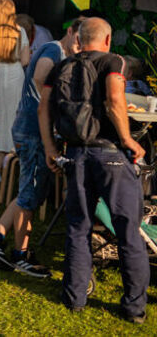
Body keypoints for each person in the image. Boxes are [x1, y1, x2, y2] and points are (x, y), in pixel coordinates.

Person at [39, 18, 148, 321]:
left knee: (77, 227)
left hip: (75, 154)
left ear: (78, 37)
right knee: (128, 231)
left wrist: (50, 148)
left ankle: (74, 297)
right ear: (108, 39)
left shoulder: (60, 66)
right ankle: (134, 307)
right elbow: (115, 99)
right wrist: (128, 140)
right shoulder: (114, 61)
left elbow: (43, 107)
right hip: (110, 155)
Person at [0, 18, 82, 279]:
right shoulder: (55, 51)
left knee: (29, 191)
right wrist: (56, 107)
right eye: (78, 37)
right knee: (30, 194)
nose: (80, 44)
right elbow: (39, 75)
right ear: (69, 32)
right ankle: (21, 255)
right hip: (33, 130)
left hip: (29, 127)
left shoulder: (61, 52)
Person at [0, 0, 31, 168]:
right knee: (13, 117)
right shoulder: (20, 31)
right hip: (15, 73)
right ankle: (9, 162)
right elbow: (26, 60)